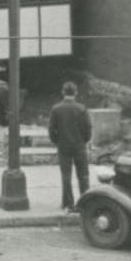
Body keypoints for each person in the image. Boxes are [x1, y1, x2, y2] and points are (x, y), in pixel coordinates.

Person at [49, 81, 93, 212]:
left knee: (66, 176)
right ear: (76, 93)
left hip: (63, 146)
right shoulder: (82, 108)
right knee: (83, 175)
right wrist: (84, 141)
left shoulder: (56, 109)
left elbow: (52, 130)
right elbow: (88, 129)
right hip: (79, 146)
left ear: (63, 92)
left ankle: (68, 204)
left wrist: (57, 141)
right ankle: (85, 203)